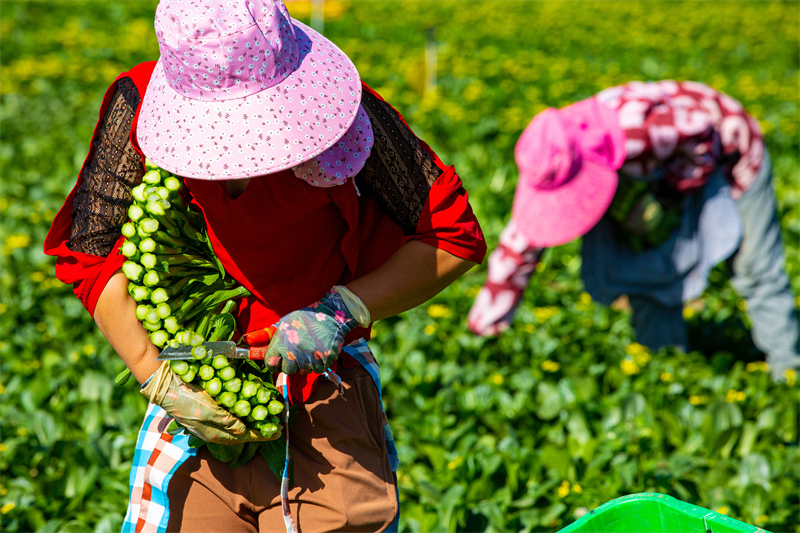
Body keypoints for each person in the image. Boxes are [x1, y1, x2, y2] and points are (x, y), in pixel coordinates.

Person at [44, 1, 486, 531]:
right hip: (198, 394)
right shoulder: (138, 105)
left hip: (322, 387)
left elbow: (451, 235)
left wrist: (340, 311)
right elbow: (89, 253)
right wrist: (157, 374)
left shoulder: (339, 111)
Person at [467, 80, 799, 381]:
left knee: (755, 268)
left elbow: (701, 133)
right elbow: (520, 244)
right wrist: (486, 328)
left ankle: (789, 374)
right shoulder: (548, 158)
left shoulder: (638, 130)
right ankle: (666, 374)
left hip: (727, 152)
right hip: (654, 167)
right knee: (649, 270)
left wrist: (667, 196)